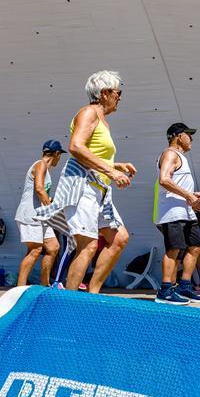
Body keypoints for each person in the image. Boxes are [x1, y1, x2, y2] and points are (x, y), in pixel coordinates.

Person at [34, 70, 137, 294]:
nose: (120, 97)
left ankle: (92, 294)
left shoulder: (102, 121)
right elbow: (76, 147)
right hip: (82, 187)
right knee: (87, 244)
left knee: (119, 238)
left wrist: (116, 165)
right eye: (118, 92)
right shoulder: (88, 112)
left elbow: (91, 152)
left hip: (97, 189)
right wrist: (111, 170)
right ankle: (69, 302)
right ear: (104, 93)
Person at [154, 123, 200, 305]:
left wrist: (193, 197)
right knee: (173, 249)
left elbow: (177, 183)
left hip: (185, 211)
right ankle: (165, 290)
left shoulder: (181, 157)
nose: (191, 138)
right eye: (188, 134)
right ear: (178, 136)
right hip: (172, 211)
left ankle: (184, 286)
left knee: (195, 247)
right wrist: (189, 195)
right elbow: (164, 179)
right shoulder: (170, 154)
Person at [15, 140, 65, 287]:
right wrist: (52, 210)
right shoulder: (41, 164)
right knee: (35, 249)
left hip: (41, 216)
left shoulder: (45, 170)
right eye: (59, 156)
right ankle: (20, 288)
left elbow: (42, 192)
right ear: (56, 154)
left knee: (53, 247)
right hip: (30, 214)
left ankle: (45, 284)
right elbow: (39, 189)